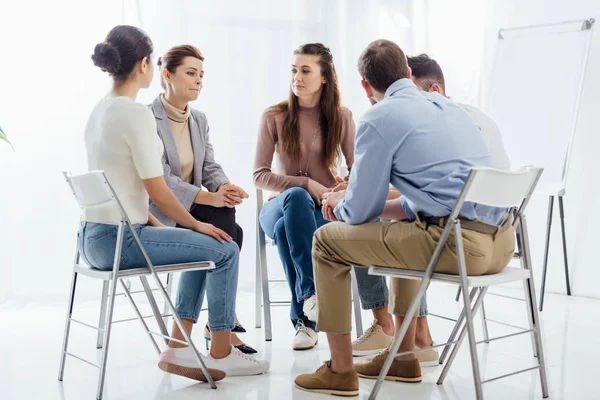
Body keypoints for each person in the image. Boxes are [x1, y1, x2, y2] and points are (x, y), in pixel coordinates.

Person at [294, 39, 514, 396]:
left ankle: (340, 370)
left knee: (326, 241)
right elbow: (429, 200)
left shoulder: (379, 117)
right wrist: (357, 200)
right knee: (406, 223)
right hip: (501, 245)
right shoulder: (449, 109)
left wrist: (340, 202)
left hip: (459, 249)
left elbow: (360, 211)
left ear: (366, 86)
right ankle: (404, 357)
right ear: (409, 74)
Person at [81, 25, 269, 381]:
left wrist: (215, 199)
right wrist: (197, 224)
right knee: (223, 249)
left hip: (91, 239)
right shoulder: (136, 113)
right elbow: (157, 189)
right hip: (121, 240)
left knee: (215, 240)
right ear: (145, 66)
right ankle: (221, 351)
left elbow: (122, 189)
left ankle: (181, 344)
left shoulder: (100, 109)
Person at [347, 53, 512, 363]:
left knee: (377, 227)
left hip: (465, 241)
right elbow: (437, 189)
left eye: (413, 93)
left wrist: (361, 197)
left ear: (434, 91)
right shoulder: (469, 116)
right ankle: (412, 335)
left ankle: (399, 333)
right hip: (502, 237)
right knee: (395, 217)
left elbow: (433, 194)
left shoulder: (450, 118)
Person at [148, 44, 256, 355]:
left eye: (201, 75)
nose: (198, 81)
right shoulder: (147, 119)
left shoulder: (199, 119)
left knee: (227, 233)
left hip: (195, 206)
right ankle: (221, 332)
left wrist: (225, 187)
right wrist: (211, 197)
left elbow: (208, 166)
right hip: (161, 211)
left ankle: (184, 336)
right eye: (191, 73)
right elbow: (163, 178)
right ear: (167, 75)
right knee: (228, 237)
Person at [253, 43, 355, 350]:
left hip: (320, 211)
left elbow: (357, 172)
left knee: (289, 230)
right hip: (278, 206)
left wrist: (341, 189)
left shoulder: (342, 117)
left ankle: (304, 321)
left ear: (324, 77)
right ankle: (311, 294)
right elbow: (259, 175)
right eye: (294, 70)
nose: (297, 77)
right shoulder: (274, 116)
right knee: (295, 197)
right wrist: (306, 183)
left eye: (305, 70)